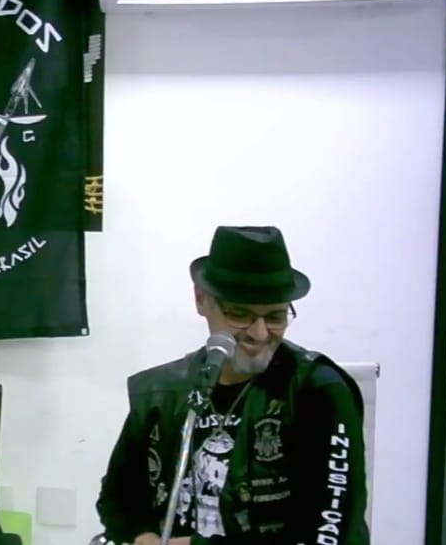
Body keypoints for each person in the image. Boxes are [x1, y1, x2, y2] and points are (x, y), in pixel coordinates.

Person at [96, 226, 370, 545]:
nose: (259, 334)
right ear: (201, 300)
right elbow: (118, 499)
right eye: (239, 314)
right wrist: (145, 539)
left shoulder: (318, 390)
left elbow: (333, 531)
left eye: (275, 317)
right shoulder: (161, 392)